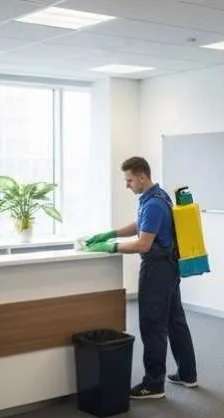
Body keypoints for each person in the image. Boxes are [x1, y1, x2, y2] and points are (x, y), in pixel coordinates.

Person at [79, 157, 198, 401]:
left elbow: (143, 244)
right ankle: (188, 373)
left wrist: (112, 247)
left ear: (142, 177)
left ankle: (153, 384)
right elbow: (141, 225)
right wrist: (112, 233)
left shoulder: (153, 204)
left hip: (157, 270)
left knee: (152, 325)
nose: (127, 185)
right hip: (170, 267)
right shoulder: (158, 196)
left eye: (129, 180)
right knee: (175, 321)